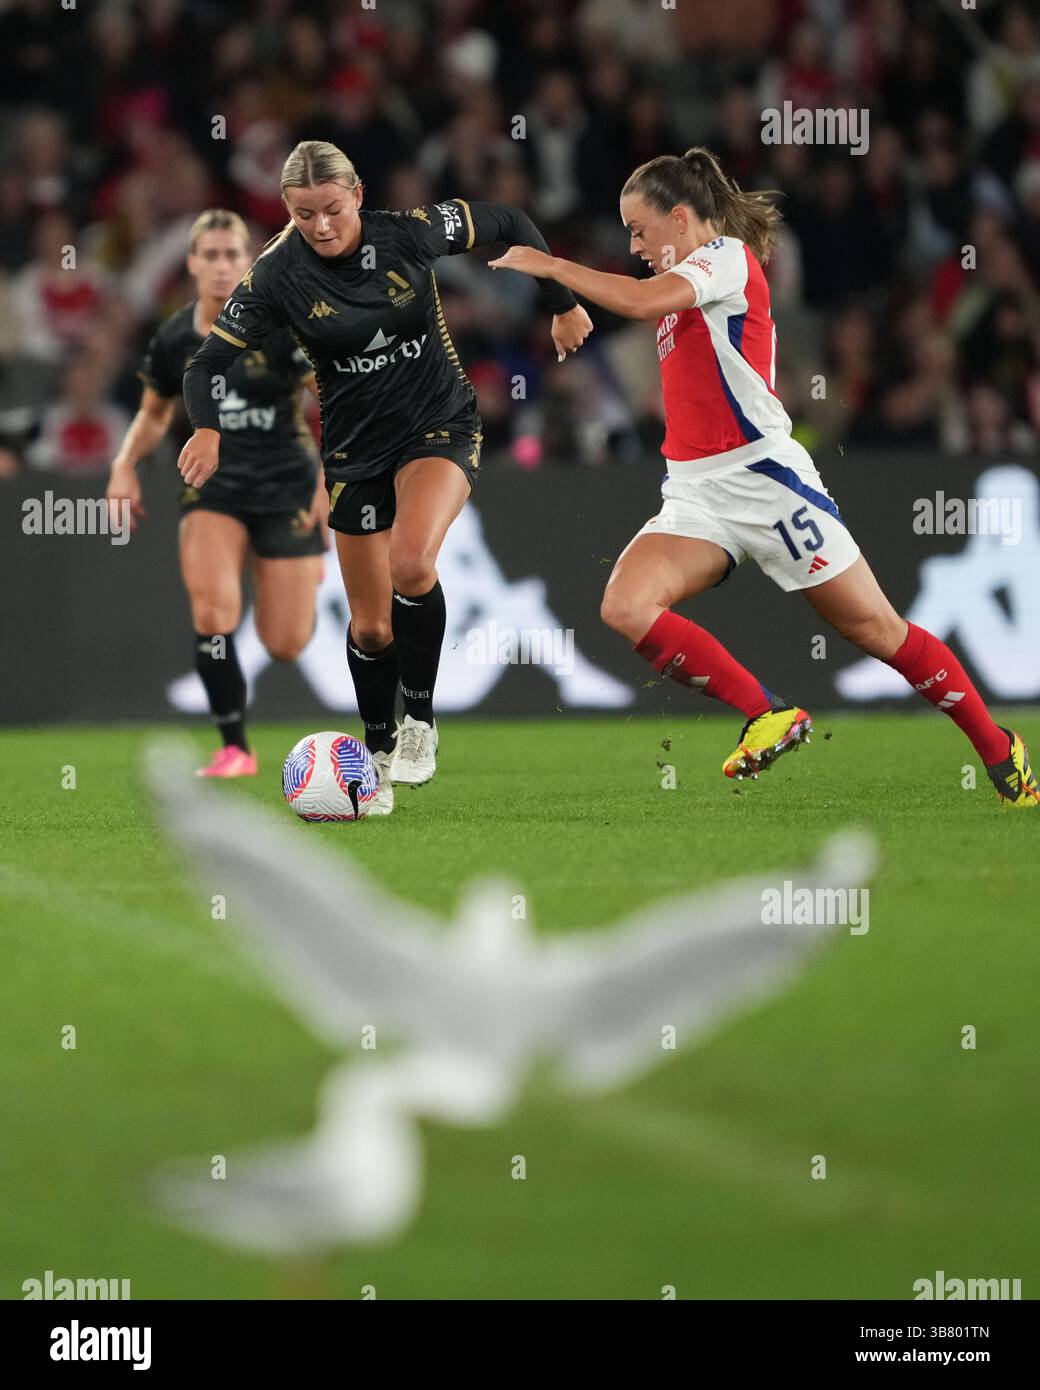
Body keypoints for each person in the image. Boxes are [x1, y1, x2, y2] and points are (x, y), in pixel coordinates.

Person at [489, 147, 1039, 807]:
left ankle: (1000, 748)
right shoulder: (683, 278)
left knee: (877, 631)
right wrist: (565, 305)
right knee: (626, 605)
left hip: (765, 481)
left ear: (681, 218)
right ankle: (767, 713)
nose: (633, 245)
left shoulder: (724, 259)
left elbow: (637, 301)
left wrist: (553, 269)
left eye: (639, 230)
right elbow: (643, 307)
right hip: (695, 491)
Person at [179, 140, 592, 815]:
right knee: (371, 629)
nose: (320, 226)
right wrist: (206, 429)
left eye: (332, 210)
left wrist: (563, 302)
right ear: (286, 210)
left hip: (439, 425)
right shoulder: (275, 276)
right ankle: (375, 753)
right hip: (354, 453)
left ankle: (420, 722)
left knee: (411, 563)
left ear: (358, 195)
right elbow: (205, 366)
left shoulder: (411, 233)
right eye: (303, 214)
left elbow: (511, 222)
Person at [107, 208, 325, 779]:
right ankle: (235, 747)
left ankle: (296, 569)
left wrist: (330, 481)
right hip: (214, 486)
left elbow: (333, 398)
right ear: (192, 263)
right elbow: (154, 414)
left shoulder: (281, 326)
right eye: (212, 255)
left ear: (248, 261)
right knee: (213, 610)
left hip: (287, 484)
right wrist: (125, 463)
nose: (223, 266)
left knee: (285, 643)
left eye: (233, 254)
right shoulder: (175, 337)